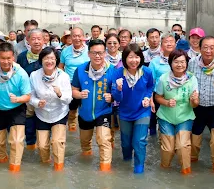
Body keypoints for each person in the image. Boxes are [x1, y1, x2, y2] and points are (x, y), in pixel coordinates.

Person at [0, 42, 31, 172]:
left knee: (16, 142)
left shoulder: (21, 74)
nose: (6, 61)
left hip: (17, 109)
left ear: (13, 58)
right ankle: (2, 162)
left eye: (9, 58)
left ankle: (15, 170)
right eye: (3, 58)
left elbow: (28, 96)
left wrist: (18, 99)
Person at [71, 39, 115, 171]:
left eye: (101, 53)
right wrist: (79, 95)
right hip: (85, 113)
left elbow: (119, 93)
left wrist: (112, 97)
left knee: (104, 140)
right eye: (94, 53)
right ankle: (85, 167)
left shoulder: (112, 70)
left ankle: (105, 171)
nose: (98, 56)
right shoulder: (80, 70)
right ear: (88, 54)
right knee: (85, 144)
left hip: (104, 112)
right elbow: (73, 90)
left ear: (105, 54)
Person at [188, 35, 214, 173]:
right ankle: (191, 165)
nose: (208, 51)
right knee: (194, 141)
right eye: (205, 47)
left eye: (212, 48)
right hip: (197, 107)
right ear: (199, 49)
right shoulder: (192, 63)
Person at [112, 44, 154, 174]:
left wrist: (147, 97)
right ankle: (126, 162)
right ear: (125, 59)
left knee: (139, 141)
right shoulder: (118, 73)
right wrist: (118, 89)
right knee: (125, 143)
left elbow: (150, 87)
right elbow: (116, 97)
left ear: (141, 58)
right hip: (124, 113)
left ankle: (139, 169)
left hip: (142, 111)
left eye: (137, 57)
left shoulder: (147, 72)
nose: (134, 60)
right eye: (130, 57)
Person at [155, 50, 199, 174]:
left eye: (182, 62)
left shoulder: (192, 78)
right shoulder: (164, 79)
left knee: (182, 146)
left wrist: (194, 100)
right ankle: (164, 171)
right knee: (168, 149)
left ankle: (186, 173)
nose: (179, 65)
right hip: (166, 116)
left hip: (185, 117)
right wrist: (167, 102)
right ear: (171, 63)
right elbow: (157, 97)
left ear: (186, 63)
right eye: (176, 62)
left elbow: (195, 104)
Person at [29, 47, 73, 170]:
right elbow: (30, 96)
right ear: (41, 60)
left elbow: (69, 99)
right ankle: (45, 167)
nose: (49, 61)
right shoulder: (34, 75)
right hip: (42, 114)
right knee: (42, 146)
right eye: (46, 58)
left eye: (52, 58)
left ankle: (59, 170)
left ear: (57, 60)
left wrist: (60, 94)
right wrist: (37, 102)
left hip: (59, 113)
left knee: (57, 143)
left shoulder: (63, 76)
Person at [16, 28, 45, 150]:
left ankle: (43, 144)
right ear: (27, 40)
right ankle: (31, 145)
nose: (37, 42)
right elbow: (18, 75)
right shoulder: (22, 57)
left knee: (44, 120)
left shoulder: (49, 55)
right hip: (28, 94)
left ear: (44, 40)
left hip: (44, 94)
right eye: (33, 39)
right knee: (28, 118)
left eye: (39, 39)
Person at [59, 27, 90, 131]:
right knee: (72, 106)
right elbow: (61, 66)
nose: (77, 38)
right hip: (70, 83)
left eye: (79, 36)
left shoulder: (89, 50)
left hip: (86, 82)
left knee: (86, 105)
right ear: (71, 38)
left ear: (83, 37)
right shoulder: (65, 51)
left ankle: (85, 123)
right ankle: (72, 120)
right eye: (74, 36)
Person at [149, 32, 177, 136]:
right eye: (166, 42)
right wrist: (151, 99)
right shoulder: (155, 62)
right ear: (161, 45)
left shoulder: (181, 60)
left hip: (175, 96)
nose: (169, 44)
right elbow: (150, 82)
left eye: (171, 41)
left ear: (175, 44)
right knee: (153, 123)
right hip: (158, 96)